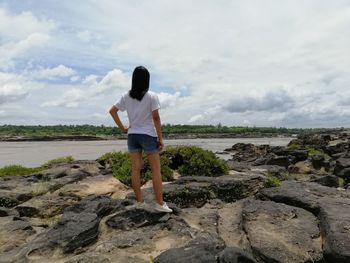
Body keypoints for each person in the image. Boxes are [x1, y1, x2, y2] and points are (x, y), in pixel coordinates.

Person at [109, 66, 172, 213]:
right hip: (148, 136)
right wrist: (160, 138)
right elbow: (156, 118)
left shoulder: (126, 96)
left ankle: (139, 201)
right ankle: (160, 204)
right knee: (156, 170)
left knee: (135, 170)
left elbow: (112, 111)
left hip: (132, 135)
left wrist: (124, 128)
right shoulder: (151, 96)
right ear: (147, 80)